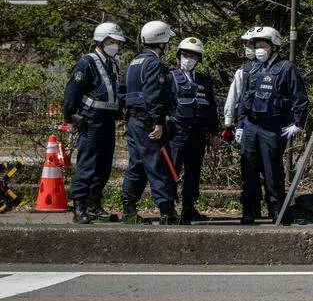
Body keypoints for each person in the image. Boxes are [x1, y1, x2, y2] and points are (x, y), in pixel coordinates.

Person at [236, 26, 308, 224]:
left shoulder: (286, 68)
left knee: (272, 169)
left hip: (273, 125)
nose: (258, 49)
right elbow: (244, 100)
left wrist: (298, 123)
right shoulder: (251, 69)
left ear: (274, 46)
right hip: (251, 124)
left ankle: (277, 210)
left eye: (262, 45)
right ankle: (249, 210)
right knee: (248, 167)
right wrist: (240, 125)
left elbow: (299, 97)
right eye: (256, 45)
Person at [62, 22, 127, 224]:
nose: (116, 45)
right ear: (101, 40)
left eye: (117, 42)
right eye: (112, 41)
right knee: (87, 164)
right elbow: (72, 92)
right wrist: (71, 116)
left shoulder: (112, 64)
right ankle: (79, 207)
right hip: (91, 120)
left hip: (107, 120)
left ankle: (94, 205)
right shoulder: (87, 62)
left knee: (103, 166)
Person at [119, 20, 179, 225]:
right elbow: (155, 95)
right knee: (158, 163)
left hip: (134, 121)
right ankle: (166, 211)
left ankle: (128, 209)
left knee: (136, 164)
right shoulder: (155, 64)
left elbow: (122, 92)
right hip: (149, 122)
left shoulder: (133, 63)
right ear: (161, 41)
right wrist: (158, 122)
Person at [167, 37, 219, 224]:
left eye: (193, 56)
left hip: (198, 133)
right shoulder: (170, 77)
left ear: (199, 59)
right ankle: (168, 208)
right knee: (172, 169)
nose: (188, 59)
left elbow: (211, 107)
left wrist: (214, 132)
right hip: (177, 132)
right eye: (185, 55)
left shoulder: (204, 80)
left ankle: (188, 208)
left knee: (194, 171)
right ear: (179, 56)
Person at [221, 29, 257, 142]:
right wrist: (228, 122)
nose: (247, 47)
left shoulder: (275, 69)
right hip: (246, 122)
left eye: (251, 43)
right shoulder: (243, 71)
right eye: (246, 44)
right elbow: (233, 96)